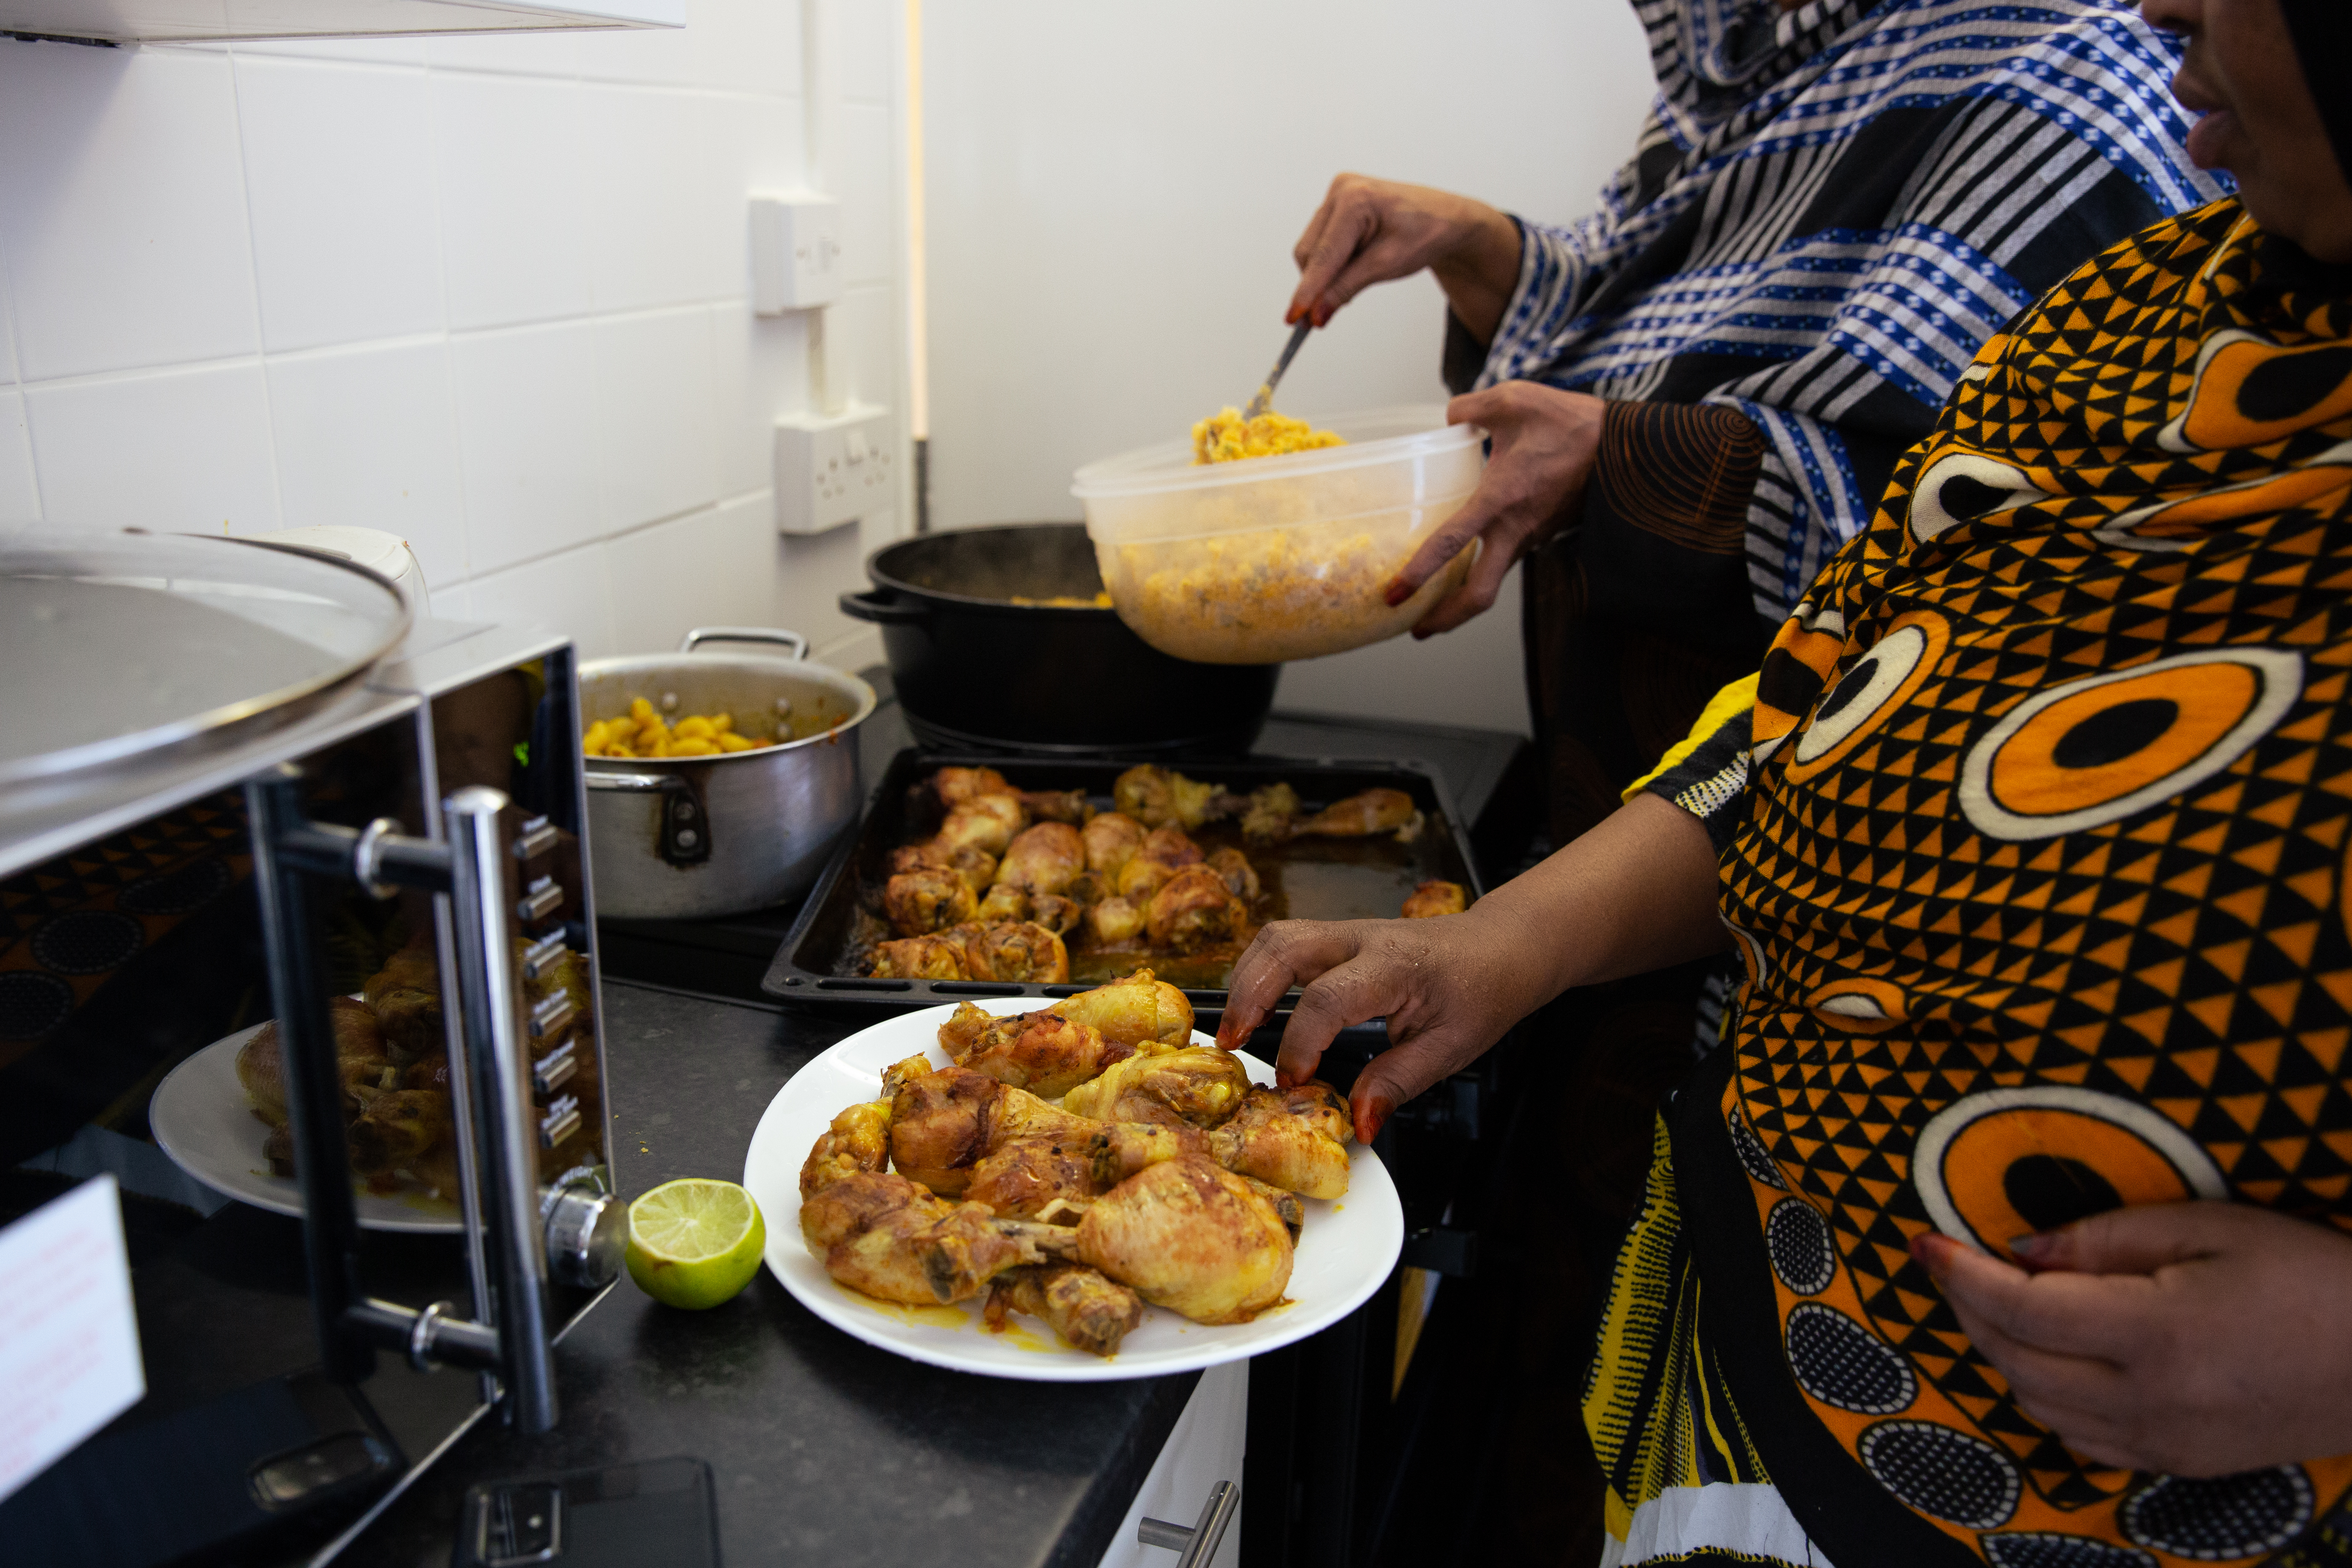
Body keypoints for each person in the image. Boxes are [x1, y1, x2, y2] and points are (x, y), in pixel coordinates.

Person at [1223, 0, 2352, 1560]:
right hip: (1760, 1345)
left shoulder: (2049, 89)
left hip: (2132, 1505)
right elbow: (1828, 699)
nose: (2161, 3)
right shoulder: (2128, 314)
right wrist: (1507, 941)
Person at [1290, 0, 2226, 846]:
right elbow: (1652, 320)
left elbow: (1969, 528)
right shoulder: (1747, 62)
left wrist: (1617, 457)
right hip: (1613, 782)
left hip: (1835, 834)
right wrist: (1481, 244)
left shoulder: (2071, 68)